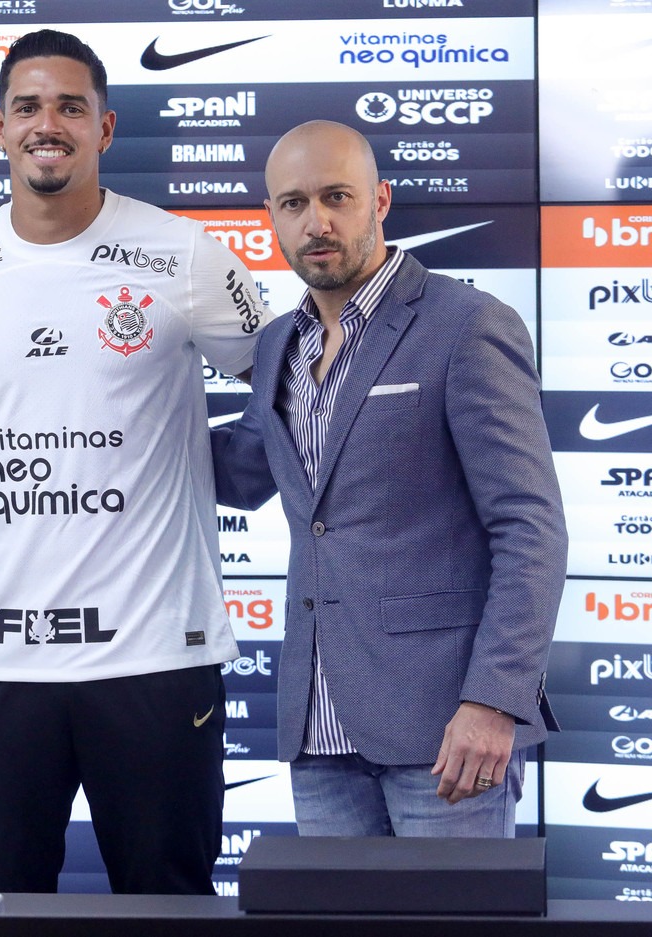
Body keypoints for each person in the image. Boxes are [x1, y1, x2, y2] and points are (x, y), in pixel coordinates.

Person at [0, 29, 271, 894]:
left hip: (155, 653)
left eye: (71, 107)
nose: (49, 124)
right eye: (28, 107)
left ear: (105, 128)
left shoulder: (186, 255)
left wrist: (220, 471)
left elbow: (293, 388)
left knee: (167, 903)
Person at [211, 120, 567, 836]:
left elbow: (531, 527)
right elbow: (248, 471)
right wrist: (108, 420)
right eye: (294, 203)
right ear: (271, 218)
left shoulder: (467, 325)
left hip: (446, 732)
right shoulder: (280, 341)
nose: (318, 222)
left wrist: (494, 700)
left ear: (380, 200)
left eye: (337, 196)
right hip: (315, 728)